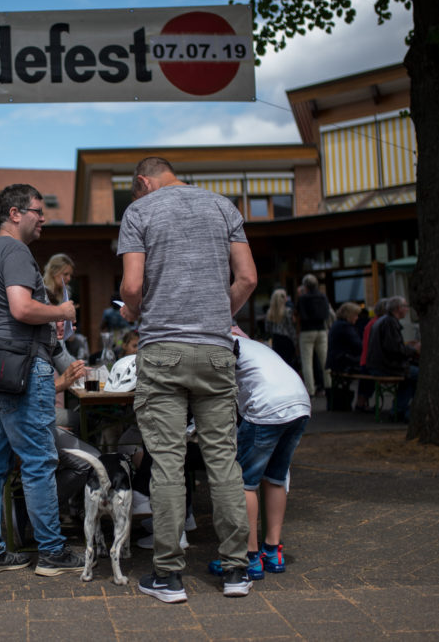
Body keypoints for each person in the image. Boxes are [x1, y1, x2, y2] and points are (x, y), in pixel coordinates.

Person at [118, 156, 257, 602]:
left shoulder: (139, 211)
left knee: (167, 464)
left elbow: (132, 287)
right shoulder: (223, 206)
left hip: (163, 351)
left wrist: (134, 311)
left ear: (143, 182)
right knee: (224, 461)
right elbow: (248, 277)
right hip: (215, 351)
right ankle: (236, 570)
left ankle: (168, 576)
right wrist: (216, 316)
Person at [0, 183, 84, 578]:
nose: (43, 218)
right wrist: (61, 311)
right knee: (38, 461)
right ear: (15, 213)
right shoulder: (16, 251)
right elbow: (20, 308)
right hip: (20, 364)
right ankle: (51, 552)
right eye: (38, 210)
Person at [213, 330, 310, 582]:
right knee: (275, 477)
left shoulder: (220, 345)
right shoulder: (253, 345)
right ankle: (273, 551)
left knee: (244, 482)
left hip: (266, 406)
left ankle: (249, 554)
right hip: (300, 403)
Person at [366, 296, 420, 422]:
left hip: (380, 364)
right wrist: (414, 350)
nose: (407, 309)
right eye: (405, 306)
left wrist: (407, 347)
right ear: (398, 308)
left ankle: (399, 409)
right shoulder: (390, 322)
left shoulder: (384, 321)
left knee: (409, 378)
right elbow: (394, 350)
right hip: (386, 366)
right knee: (419, 374)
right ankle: (405, 411)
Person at [295, 274, 331, 397]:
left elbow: (298, 314)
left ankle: (310, 390)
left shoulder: (303, 298)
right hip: (321, 329)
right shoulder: (323, 296)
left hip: (307, 330)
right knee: (325, 360)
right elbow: (326, 313)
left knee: (307, 362)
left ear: (305, 286)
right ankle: (329, 386)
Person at [325, 303, 363, 411]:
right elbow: (358, 345)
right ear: (349, 315)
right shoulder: (345, 327)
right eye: (355, 315)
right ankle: (362, 402)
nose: (357, 318)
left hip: (336, 361)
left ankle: (361, 402)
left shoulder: (337, 324)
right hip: (343, 362)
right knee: (368, 370)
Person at [265, 288, 298, 369]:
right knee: (289, 364)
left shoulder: (270, 312)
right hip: (287, 340)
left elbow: (267, 328)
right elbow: (290, 328)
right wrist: (295, 341)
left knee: (279, 363)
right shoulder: (288, 311)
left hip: (276, 339)